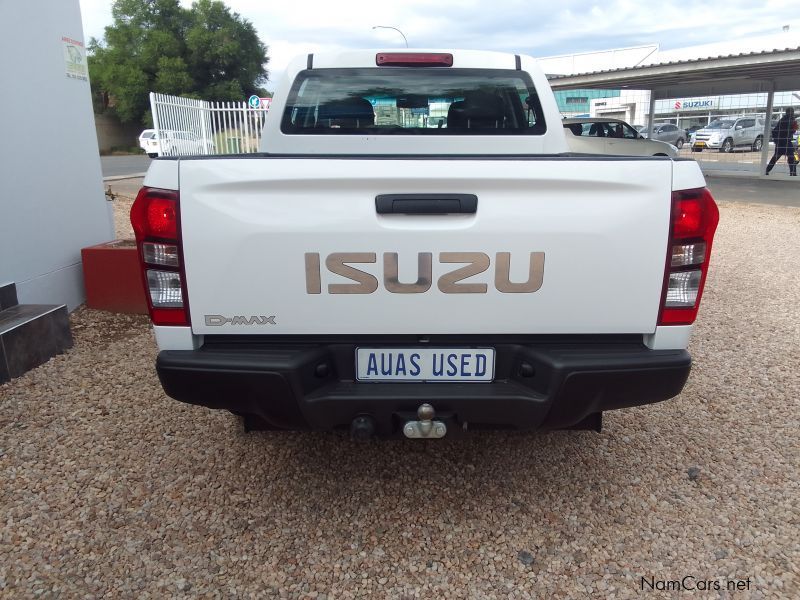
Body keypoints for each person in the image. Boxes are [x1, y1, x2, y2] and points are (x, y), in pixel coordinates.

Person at [766, 108, 798, 176]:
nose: (792, 114)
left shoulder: (782, 120)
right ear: (791, 113)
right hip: (786, 142)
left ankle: (766, 170)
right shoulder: (790, 120)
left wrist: (776, 141)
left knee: (775, 157)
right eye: (792, 112)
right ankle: (793, 173)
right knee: (793, 157)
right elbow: (790, 131)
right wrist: (794, 128)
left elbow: (775, 131)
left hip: (780, 142)